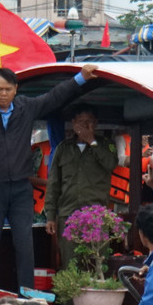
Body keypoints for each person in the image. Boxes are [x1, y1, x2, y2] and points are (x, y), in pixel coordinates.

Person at [0, 64, 99, 289]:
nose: (3, 94)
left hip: (20, 189)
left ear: (16, 89)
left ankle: (26, 293)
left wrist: (81, 78)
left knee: (25, 245)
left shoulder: (26, 107)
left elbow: (55, 96)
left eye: (8, 89)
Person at [44, 107, 118, 266]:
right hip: (68, 215)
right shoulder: (63, 148)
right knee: (70, 264)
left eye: (89, 122)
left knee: (97, 263)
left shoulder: (106, 145)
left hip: (96, 216)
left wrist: (92, 141)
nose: (84, 126)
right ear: (73, 124)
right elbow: (54, 183)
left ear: (95, 124)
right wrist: (50, 216)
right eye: (80, 122)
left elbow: (110, 164)